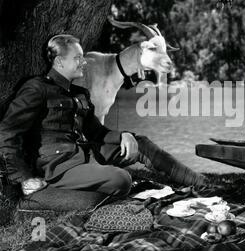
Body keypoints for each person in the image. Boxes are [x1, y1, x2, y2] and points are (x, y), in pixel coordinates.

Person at [0, 34, 208, 197]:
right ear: (60, 62)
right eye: (78, 58)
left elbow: (95, 131)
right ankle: (57, 192)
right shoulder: (36, 88)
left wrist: (123, 136)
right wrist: (24, 178)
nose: (84, 62)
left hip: (83, 154)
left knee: (140, 143)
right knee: (122, 180)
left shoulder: (78, 93)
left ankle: (202, 182)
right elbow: (7, 132)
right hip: (56, 167)